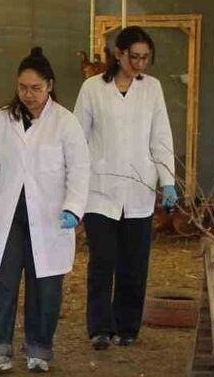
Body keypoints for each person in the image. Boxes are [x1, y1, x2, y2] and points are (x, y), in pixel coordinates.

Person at [0, 47, 90, 374]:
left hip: (49, 217)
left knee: (45, 284)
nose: (29, 94)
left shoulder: (66, 122)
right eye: (23, 87)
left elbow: (79, 170)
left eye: (36, 88)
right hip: (7, 215)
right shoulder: (1, 119)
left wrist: (73, 208)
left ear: (49, 85)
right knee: (1, 282)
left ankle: (39, 348)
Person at [74, 25, 176, 350]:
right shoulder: (92, 89)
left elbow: (161, 137)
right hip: (99, 189)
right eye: (135, 57)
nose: (140, 64)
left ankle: (128, 326)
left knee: (134, 261)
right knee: (103, 260)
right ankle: (100, 327)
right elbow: (77, 138)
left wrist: (168, 181)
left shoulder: (152, 89)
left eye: (146, 58)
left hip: (139, 189)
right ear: (118, 54)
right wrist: (74, 186)